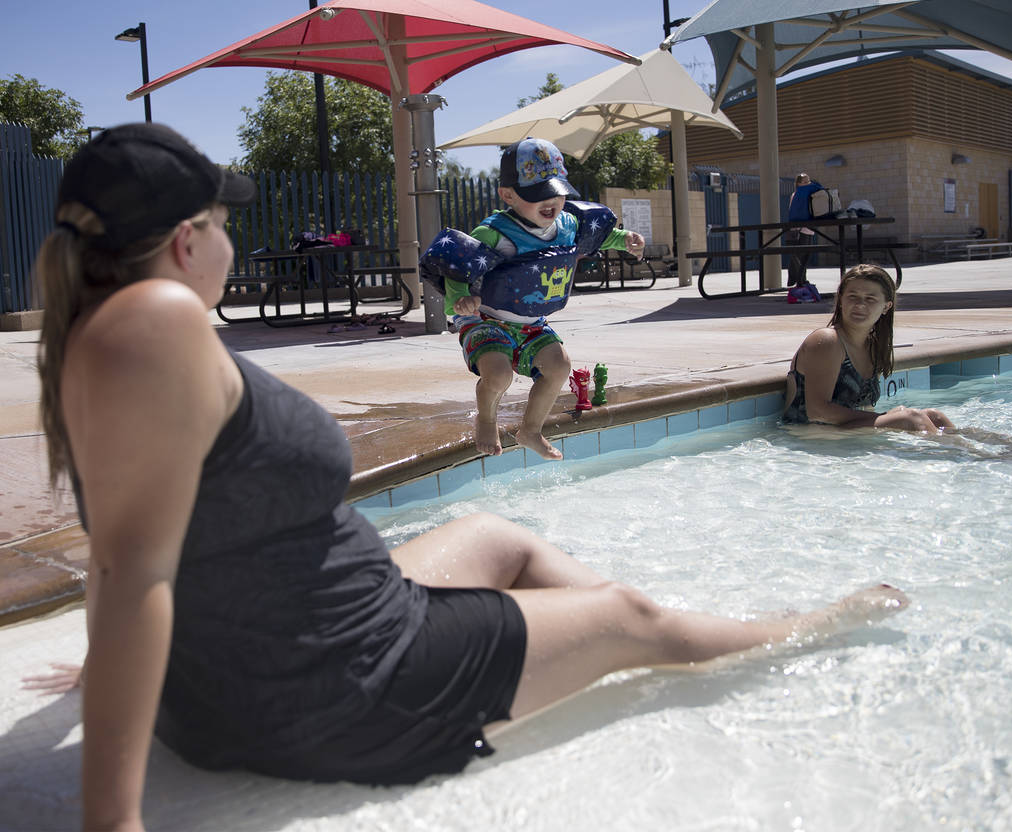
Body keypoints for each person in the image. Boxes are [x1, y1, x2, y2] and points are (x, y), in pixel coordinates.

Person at [28, 122, 909, 832]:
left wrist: (117, 658)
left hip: (298, 641)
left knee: (496, 536)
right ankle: (793, 627)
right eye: (225, 224)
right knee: (627, 620)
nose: (232, 239)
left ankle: (602, 632)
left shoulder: (97, 332)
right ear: (187, 241)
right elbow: (132, 565)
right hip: (342, 683)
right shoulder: (157, 319)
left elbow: (124, 542)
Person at [422, 137, 643, 461]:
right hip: (486, 319)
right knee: (499, 375)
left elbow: (600, 236)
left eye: (555, 190)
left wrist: (625, 240)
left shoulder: (568, 223)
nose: (550, 201)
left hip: (531, 323)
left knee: (559, 365)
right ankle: (486, 419)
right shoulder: (495, 233)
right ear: (508, 195)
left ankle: (531, 431)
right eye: (538, 195)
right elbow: (458, 270)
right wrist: (461, 300)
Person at [782, 263, 955, 432]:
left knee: (935, 416)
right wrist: (887, 417)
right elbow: (817, 412)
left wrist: (886, 417)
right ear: (841, 300)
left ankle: (970, 451)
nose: (860, 305)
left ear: (886, 306)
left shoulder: (873, 345)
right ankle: (956, 454)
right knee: (910, 418)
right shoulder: (828, 341)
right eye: (852, 297)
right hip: (810, 433)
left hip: (841, 431)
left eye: (870, 299)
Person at [784, 172, 823, 287]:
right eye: (804, 182)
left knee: (804, 256)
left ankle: (798, 279)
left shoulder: (810, 194)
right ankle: (800, 279)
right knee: (799, 256)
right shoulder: (796, 195)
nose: (807, 184)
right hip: (799, 229)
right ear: (799, 184)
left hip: (808, 229)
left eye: (808, 181)